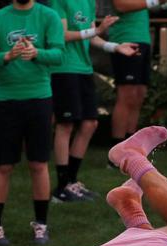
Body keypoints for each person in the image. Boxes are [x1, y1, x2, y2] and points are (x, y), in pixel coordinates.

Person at [0, 0, 65, 246]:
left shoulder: (48, 16)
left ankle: (41, 224)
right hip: (7, 100)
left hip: (39, 98)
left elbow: (59, 54)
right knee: (4, 165)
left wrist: (37, 53)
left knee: (39, 163)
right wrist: (7, 55)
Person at [48, 0, 136, 202]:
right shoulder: (59, 2)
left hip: (83, 69)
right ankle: (62, 187)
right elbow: (61, 36)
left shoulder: (88, 2)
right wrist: (97, 30)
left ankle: (71, 181)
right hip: (64, 68)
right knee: (66, 125)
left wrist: (115, 47)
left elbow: (90, 36)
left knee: (90, 123)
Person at [107, 0, 167, 161]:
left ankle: (130, 149)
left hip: (143, 39)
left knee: (139, 95)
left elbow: (147, 6)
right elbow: (121, 5)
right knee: (126, 94)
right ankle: (116, 152)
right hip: (126, 39)